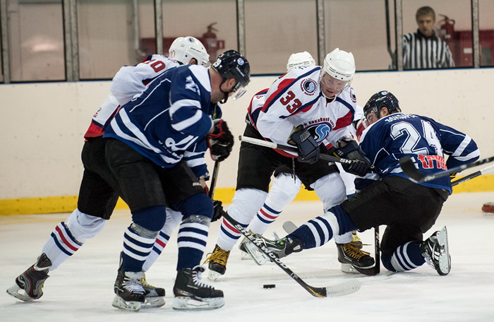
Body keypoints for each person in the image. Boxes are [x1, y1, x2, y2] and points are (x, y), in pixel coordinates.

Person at [6, 37, 222, 309]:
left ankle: (34, 274)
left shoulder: (174, 79)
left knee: (88, 220)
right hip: (123, 147)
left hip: (100, 145)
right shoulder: (170, 70)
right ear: (192, 61)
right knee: (163, 213)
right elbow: (122, 83)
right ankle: (132, 279)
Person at [253, 90, 480, 277]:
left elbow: (364, 183)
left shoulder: (377, 128)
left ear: (382, 110)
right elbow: (470, 150)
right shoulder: (428, 123)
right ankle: (426, 250)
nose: (366, 122)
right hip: (435, 199)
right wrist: (443, 174)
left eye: (369, 116)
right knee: (391, 256)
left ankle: (285, 245)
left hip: (399, 189)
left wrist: (365, 183)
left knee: (340, 217)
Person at [204, 48, 375, 281]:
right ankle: (220, 250)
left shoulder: (346, 99)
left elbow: (338, 131)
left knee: (335, 189)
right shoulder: (301, 86)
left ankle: (346, 247)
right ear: (322, 71)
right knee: (250, 199)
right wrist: (297, 137)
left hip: (304, 146)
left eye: (341, 82)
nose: (333, 86)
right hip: (263, 140)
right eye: (330, 79)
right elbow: (265, 121)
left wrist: (350, 151)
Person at [102, 49, 249, 312]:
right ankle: (128, 280)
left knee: (199, 207)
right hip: (129, 145)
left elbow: (192, 147)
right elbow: (182, 117)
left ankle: (186, 282)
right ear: (229, 83)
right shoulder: (189, 74)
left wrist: (201, 179)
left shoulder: (210, 107)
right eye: (235, 87)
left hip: (163, 156)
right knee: (151, 217)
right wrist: (213, 129)